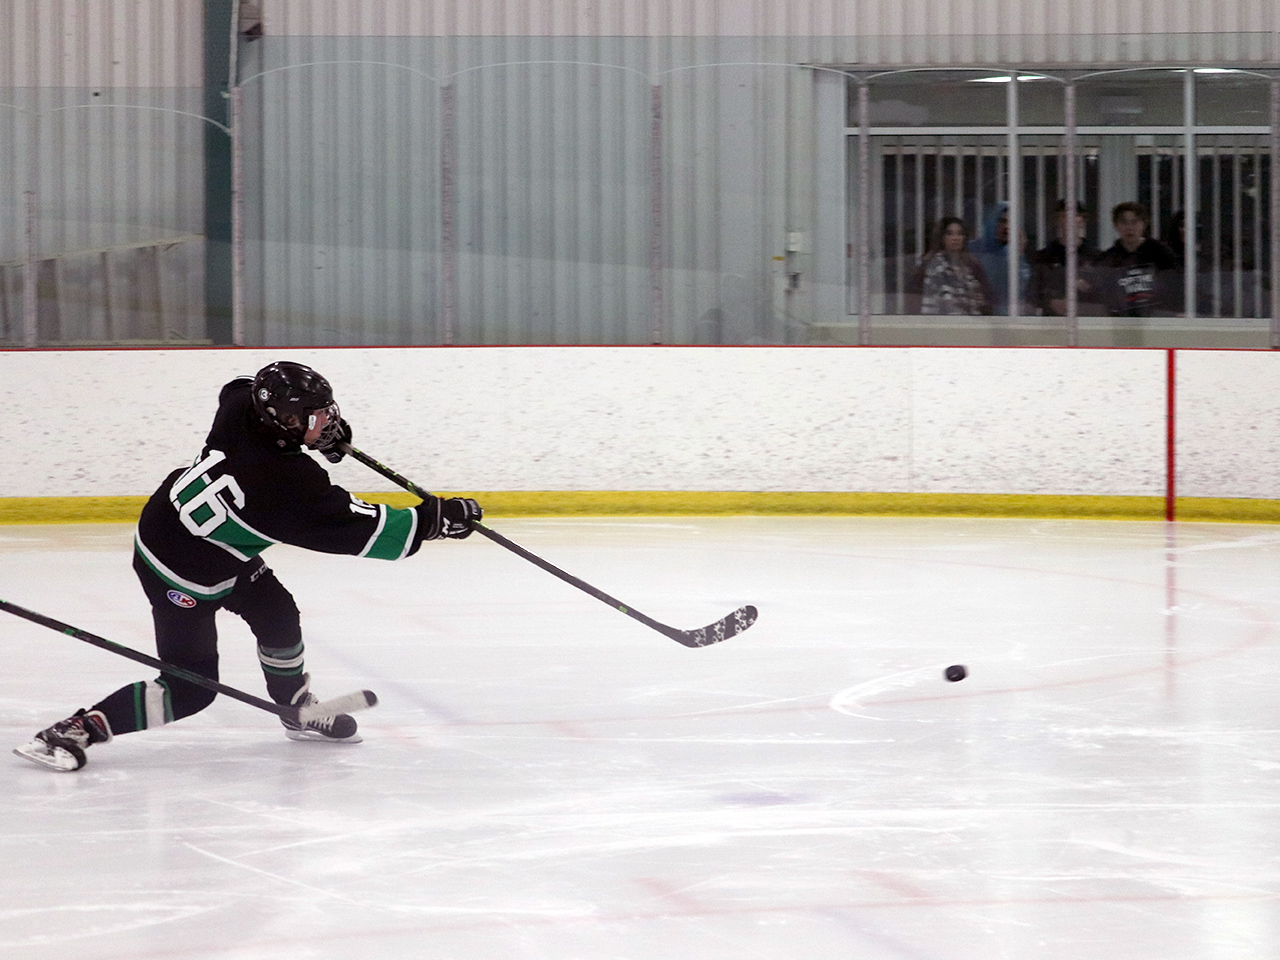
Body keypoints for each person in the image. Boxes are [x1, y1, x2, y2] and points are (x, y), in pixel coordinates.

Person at [14, 361, 483, 772]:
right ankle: (77, 728)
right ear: (281, 420)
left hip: (198, 537)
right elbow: (366, 529)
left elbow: (239, 384)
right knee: (190, 688)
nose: (326, 421)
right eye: (315, 416)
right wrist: (436, 519)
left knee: (277, 612)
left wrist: (316, 434)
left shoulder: (242, 410)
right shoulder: (286, 484)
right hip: (179, 571)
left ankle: (294, 706)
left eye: (325, 411)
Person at [1094, 201, 1180, 317]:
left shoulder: (1160, 252)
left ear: (1144, 224)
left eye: (1134, 222)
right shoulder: (1108, 258)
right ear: (1116, 225)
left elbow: (1175, 285)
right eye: (1124, 222)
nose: (1129, 228)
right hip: (1121, 320)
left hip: (1158, 318)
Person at [1029, 199, 1103, 316]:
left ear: (1082, 220)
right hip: (1052, 323)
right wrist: (1049, 302)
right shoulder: (1043, 256)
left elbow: (1106, 295)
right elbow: (1032, 293)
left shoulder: (1096, 257)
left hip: (1087, 323)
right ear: (1057, 221)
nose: (1069, 221)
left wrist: (1089, 289)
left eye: (1074, 216)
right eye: (1064, 216)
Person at [918, 216, 993, 316]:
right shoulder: (934, 266)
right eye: (949, 233)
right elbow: (929, 306)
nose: (955, 238)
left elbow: (987, 300)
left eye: (960, 234)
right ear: (942, 237)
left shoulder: (972, 266)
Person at [967, 201, 1031, 316]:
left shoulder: (1015, 256)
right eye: (1002, 221)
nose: (1007, 227)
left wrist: (1019, 255)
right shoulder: (972, 249)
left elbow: (1020, 291)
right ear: (992, 221)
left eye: (1012, 222)